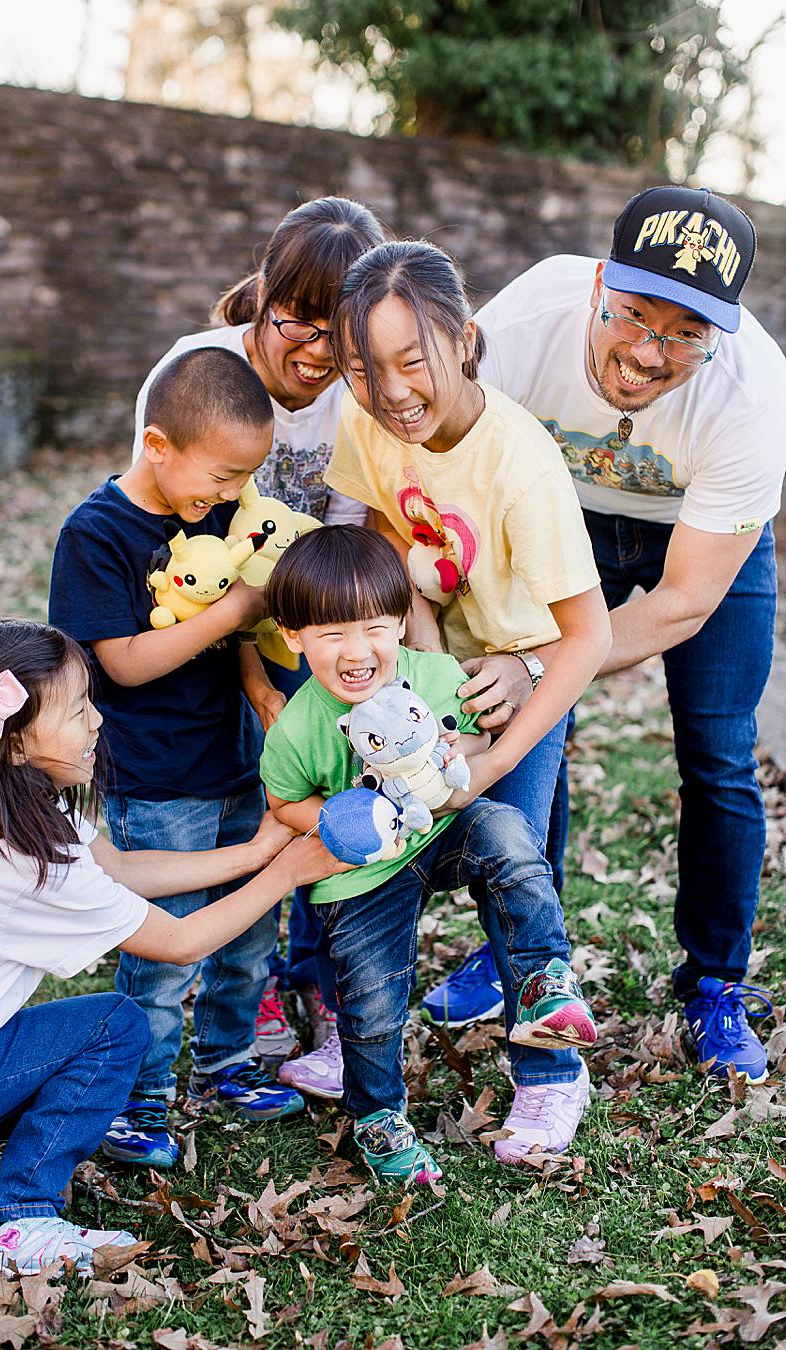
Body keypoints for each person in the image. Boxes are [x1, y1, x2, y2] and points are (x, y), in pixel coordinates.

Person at [438, 185, 784, 1084]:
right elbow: (457, 466)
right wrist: (513, 660)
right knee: (534, 728)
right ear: (598, 283)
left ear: (723, 332)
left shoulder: (754, 395)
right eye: (631, 314)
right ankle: (520, 950)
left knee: (718, 752)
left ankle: (716, 981)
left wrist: (531, 658)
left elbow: (679, 606)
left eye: (683, 334)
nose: (646, 350)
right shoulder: (524, 320)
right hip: (562, 514)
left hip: (699, 539)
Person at [0, 619, 339, 1276]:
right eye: (78, 710)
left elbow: (119, 870)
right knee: (114, 1025)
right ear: (15, 743)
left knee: (72, 1028)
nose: (98, 721)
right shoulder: (20, 858)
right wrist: (287, 873)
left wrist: (254, 851)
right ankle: (14, 1222)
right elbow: (180, 943)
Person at [292, 240, 611, 1153]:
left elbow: (588, 636)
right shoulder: (369, 424)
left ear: (465, 341)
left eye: (413, 360)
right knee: (367, 853)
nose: (391, 390)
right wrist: (418, 646)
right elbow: (387, 521)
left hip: (520, 684)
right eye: (363, 369)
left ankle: (552, 1075)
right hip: (418, 677)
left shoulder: (522, 463)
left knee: (512, 874)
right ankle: (361, 1047)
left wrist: (498, 744)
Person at [133, 195, 387, 1065]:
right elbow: (178, 525)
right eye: (298, 322)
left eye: (340, 337)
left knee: (292, 806)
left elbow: (347, 534)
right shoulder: (196, 369)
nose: (318, 354)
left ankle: (279, 977)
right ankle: (181, 1000)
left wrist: (316, 667)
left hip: (300, 633)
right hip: (198, 627)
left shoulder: (358, 401)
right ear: (265, 291)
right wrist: (249, 670)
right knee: (213, 808)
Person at [261, 526, 598, 1180]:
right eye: (331, 635)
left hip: (442, 831)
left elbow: (479, 743)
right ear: (294, 637)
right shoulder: (299, 726)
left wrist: (450, 761)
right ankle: (379, 1118)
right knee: (371, 1000)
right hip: (361, 873)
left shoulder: (438, 677)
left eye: (373, 629)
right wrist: (339, 818)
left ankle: (542, 983)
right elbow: (283, 804)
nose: (357, 652)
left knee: (506, 833)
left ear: (400, 621)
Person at [49, 347, 305, 1170]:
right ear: (158, 444)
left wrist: (260, 685)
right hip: (156, 779)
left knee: (249, 933)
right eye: (224, 477)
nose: (233, 497)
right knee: (164, 948)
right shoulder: (96, 534)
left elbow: (234, 632)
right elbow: (120, 661)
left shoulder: (212, 517)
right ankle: (139, 1098)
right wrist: (239, 605)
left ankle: (226, 1063)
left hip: (235, 762)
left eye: (245, 482)